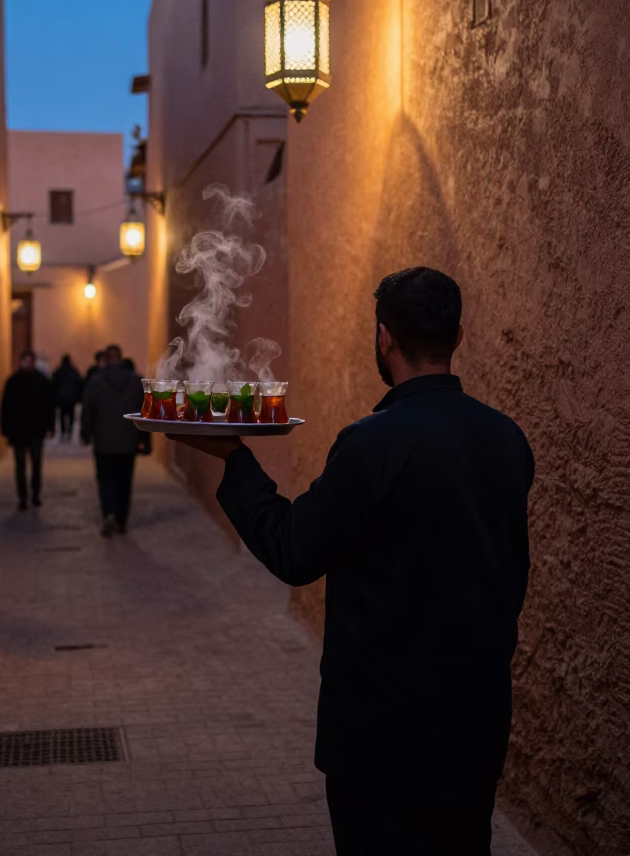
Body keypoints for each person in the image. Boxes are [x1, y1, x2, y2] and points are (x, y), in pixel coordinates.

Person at [170, 267, 534, 856]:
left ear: (384, 338)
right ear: (458, 336)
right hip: (475, 725)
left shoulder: (372, 443)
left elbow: (294, 551)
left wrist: (233, 456)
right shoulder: (507, 438)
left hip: (382, 739)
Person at [80, 343, 144, 536]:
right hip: (128, 440)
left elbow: (88, 410)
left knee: (106, 478)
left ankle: (109, 513)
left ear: (106, 360)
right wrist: (143, 438)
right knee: (124, 481)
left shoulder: (96, 381)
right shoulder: (136, 381)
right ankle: (121, 520)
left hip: (104, 440)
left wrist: (86, 433)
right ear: (121, 358)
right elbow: (145, 410)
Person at [0, 350, 54, 510]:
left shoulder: (41, 381)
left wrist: (50, 426)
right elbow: (6, 407)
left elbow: (49, 406)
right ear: (21, 362)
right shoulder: (13, 382)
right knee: (20, 465)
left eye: (31, 361)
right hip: (19, 432)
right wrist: (5, 429)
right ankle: (23, 496)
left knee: (36, 464)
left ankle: (35, 493)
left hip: (36, 431)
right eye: (26, 361)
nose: (29, 364)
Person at [51, 353, 83, 443]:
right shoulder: (73, 371)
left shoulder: (58, 371)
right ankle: (70, 432)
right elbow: (78, 385)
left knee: (62, 415)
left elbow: (54, 385)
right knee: (70, 415)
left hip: (61, 398)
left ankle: (63, 432)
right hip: (71, 398)